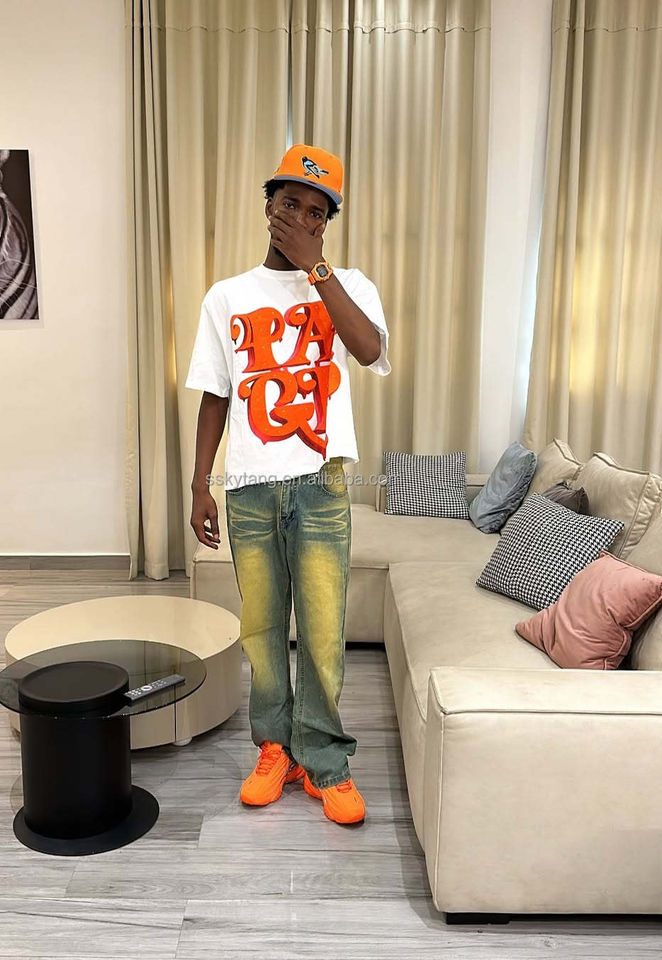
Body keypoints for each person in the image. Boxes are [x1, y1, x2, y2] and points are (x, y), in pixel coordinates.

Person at [185, 143, 391, 824]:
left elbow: (369, 349)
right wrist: (199, 484)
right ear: (269, 206)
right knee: (262, 629)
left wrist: (316, 269)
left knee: (324, 633)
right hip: (249, 486)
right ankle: (276, 748)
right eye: (290, 203)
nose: (300, 217)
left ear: (325, 224)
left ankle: (326, 760)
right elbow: (215, 395)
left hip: (320, 485)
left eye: (315, 212)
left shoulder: (348, 284)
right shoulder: (226, 296)